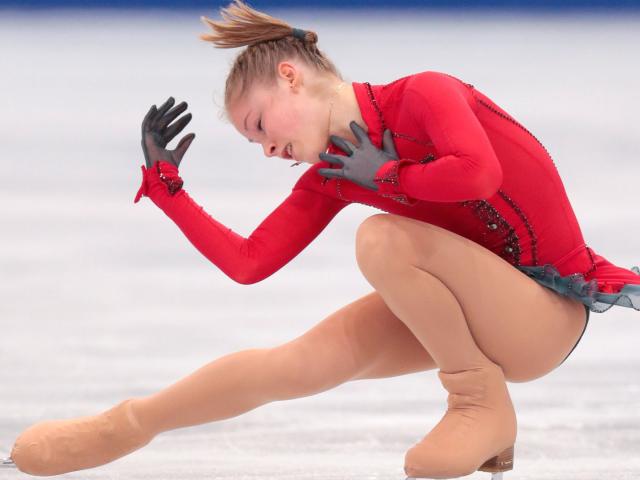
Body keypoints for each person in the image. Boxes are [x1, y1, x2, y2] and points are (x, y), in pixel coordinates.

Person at [8, 0, 640, 478]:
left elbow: (479, 173)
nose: (267, 150)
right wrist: (169, 189)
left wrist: (387, 176)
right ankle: (126, 426)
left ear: (290, 78)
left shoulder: (425, 93)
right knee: (300, 362)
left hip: (546, 313)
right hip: (477, 304)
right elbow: (250, 263)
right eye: (254, 143)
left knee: (382, 240)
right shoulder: (336, 176)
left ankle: (478, 399)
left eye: (260, 125)